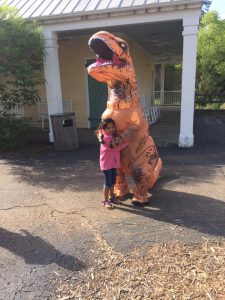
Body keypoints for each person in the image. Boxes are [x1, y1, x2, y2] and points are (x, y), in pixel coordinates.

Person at [96, 118, 129, 209]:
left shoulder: (111, 136)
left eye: (112, 127)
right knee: (108, 183)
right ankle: (106, 201)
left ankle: (112, 197)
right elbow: (115, 148)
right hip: (107, 165)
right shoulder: (106, 138)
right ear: (104, 129)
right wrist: (127, 142)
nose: (111, 129)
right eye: (108, 128)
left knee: (113, 182)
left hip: (114, 164)